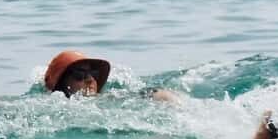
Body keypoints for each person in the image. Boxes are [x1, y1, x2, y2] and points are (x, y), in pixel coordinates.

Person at [43, 50, 179, 102]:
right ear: (61, 85)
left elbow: (138, 96)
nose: (90, 79)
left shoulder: (107, 100)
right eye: (80, 74)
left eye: (93, 74)